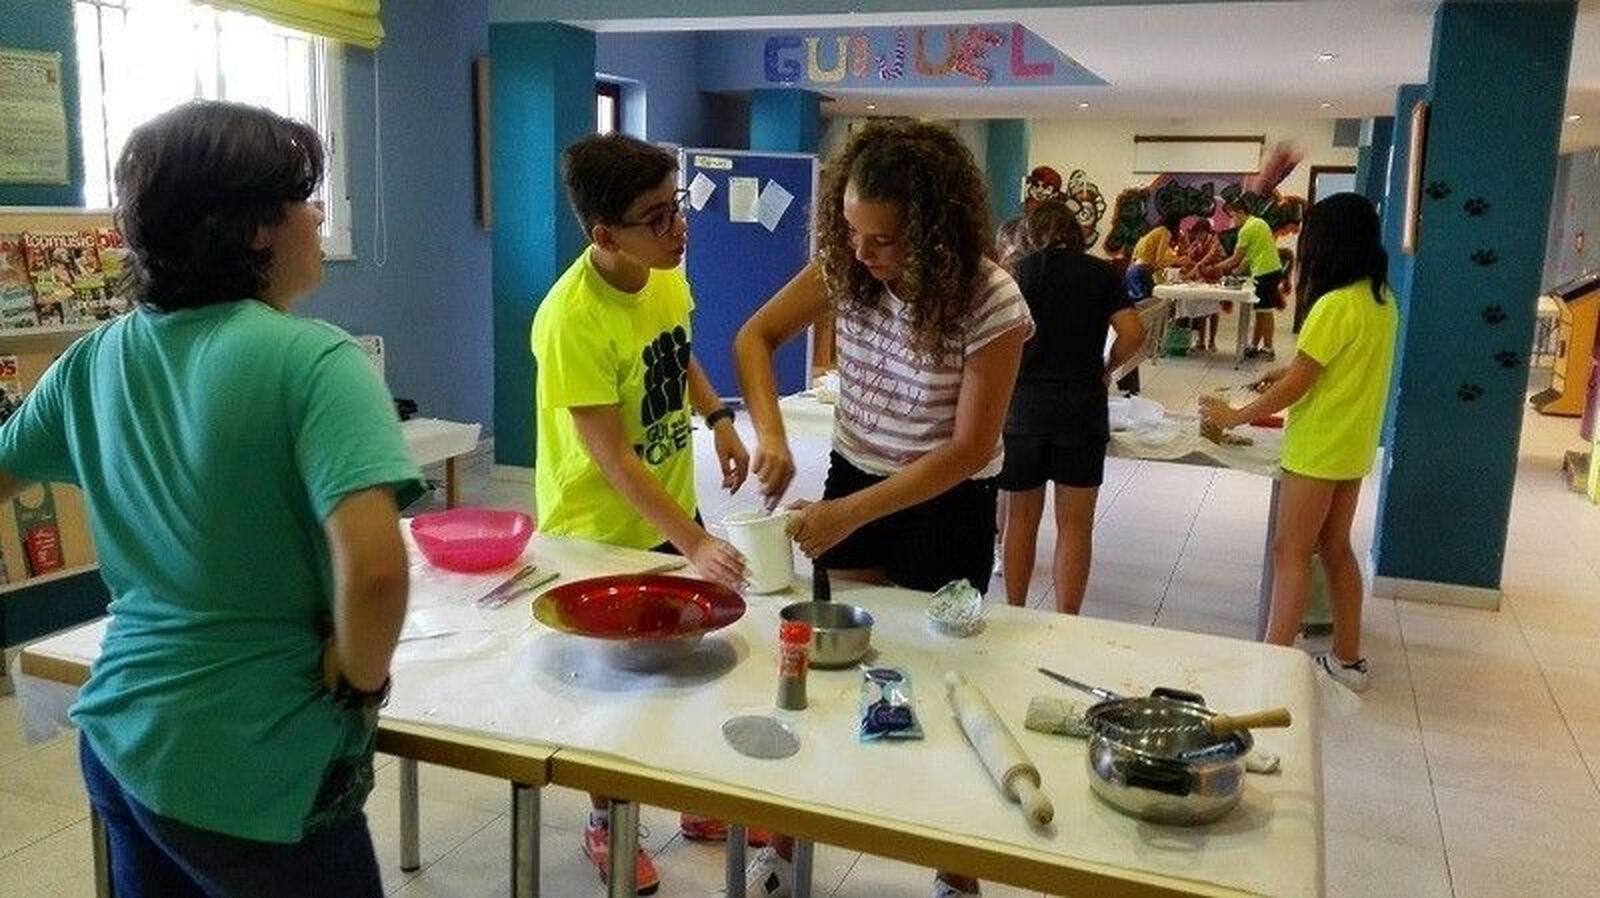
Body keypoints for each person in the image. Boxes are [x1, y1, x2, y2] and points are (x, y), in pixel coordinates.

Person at [0, 101, 423, 897]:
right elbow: (374, 572)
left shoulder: (94, 359)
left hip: (124, 737)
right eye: (305, 198)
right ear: (256, 227)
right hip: (259, 763)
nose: (320, 215)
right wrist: (362, 679)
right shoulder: (317, 361)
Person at [734, 120, 1031, 898]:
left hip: (948, 503)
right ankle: (789, 848)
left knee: (937, 682)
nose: (862, 254)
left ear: (935, 233)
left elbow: (969, 450)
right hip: (854, 475)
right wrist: (771, 432)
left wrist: (851, 513)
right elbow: (755, 337)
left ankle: (954, 873)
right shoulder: (845, 267)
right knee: (829, 679)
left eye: (886, 240)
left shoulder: (990, 298)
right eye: (852, 232)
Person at [531, 132, 754, 892]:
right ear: (604, 234)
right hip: (596, 530)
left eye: (677, 203)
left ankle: (690, 803)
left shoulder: (662, 273)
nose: (678, 227)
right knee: (615, 692)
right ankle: (605, 822)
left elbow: (678, 347)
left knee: (679, 664)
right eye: (657, 217)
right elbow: (611, 456)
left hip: (664, 512)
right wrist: (693, 541)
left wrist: (720, 416)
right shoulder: (570, 319)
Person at [1198, 193, 1398, 693]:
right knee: (1335, 550)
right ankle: (1348, 662)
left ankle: (1272, 664)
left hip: (1319, 447)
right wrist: (1287, 368)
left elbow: (1300, 385)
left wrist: (1234, 416)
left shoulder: (1332, 304)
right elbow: (1326, 364)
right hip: (1351, 446)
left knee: (1289, 551)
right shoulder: (1378, 298)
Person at [1001, 200, 1144, 614]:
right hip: (1082, 408)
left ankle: (1014, 608)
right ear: (1076, 234)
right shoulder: (1101, 274)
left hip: (1023, 407)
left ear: (1029, 235)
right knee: (1075, 526)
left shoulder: (1015, 275)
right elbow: (1134, 333)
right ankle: (1067, 618)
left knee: (1020, 519)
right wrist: (1108, 367)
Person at [1219, 196, 1285, 359]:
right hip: (1271, 270)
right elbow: (1248, 257)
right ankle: (1255, 345)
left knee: (1265, 311)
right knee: (1260, 310)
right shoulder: (1259, 223)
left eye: (1232, 216)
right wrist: (1236, 273)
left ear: (1241, 212)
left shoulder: (1246, 230)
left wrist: (1214, 268)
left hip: (1265, 272)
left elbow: (1235, 259)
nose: (1231, 220)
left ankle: (1269, 349)